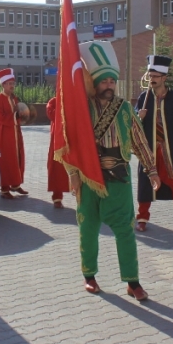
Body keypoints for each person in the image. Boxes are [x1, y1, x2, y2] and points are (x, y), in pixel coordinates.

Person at [68, 41, 160, 302]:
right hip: (88, 178)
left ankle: (132, 282)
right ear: (94, 83)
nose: (109, 84)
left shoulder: (125, 108)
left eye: (112, 80)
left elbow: (140, 140)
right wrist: (73, 174)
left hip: (118, 177)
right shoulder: (82, 108)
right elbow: (71, 141)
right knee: (88, 228)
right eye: (104, 81)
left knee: (125, 230)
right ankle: (89, 276)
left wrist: (151, 170)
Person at [134, 55, 173, 235]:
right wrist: (140, 117)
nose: (152, 79)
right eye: (150, 75)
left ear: (164, 78)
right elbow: (133, 126)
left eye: (155, 76)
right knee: (145, 184)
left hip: (171, 150)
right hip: (150, 151)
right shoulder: (144, 98)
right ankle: (142, 218)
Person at [0, 68, 28, 199]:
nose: (12, 85)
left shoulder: (14, 98)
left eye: (13, 83)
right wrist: (16, 115)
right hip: (3, 136)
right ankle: (4, 189)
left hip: (15, 134)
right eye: (9, 83)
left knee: (17, 158)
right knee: (5, 159)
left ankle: (15, 185)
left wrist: (23, 115)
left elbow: (18, 113)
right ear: (3, 85)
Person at [45, 96, 69, 208]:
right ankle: (57, 197)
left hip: (73, 138)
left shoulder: (74, 99)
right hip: (58, 140)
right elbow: (51, 114)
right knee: (57, 168)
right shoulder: (53, 101)